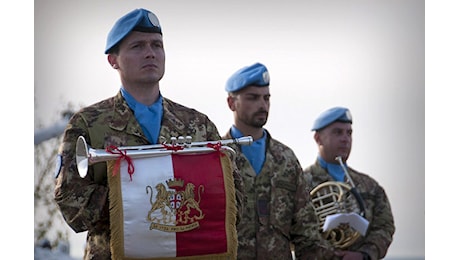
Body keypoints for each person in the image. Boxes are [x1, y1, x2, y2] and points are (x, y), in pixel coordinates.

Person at [54, 8, 243, 259]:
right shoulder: (88, 124)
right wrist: (136, 195)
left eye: (157, 45)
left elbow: (235, 199)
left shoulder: (198, 124)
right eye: (137, 47)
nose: (150, 53)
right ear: (113, 60)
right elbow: (70, 203)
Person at [221, 62, 320, 259]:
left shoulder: (286, 159)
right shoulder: (218, 156)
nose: (262, 105)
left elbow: (306, 231)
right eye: (253, 98)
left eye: (266, 98)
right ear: (231, 103)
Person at [302, 106, 395, 259]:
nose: (345, 139)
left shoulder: (371, 187)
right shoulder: (300, 182)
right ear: (318, 138)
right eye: (337, 132)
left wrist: (363, 255)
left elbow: (384, 226)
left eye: (349, 133)